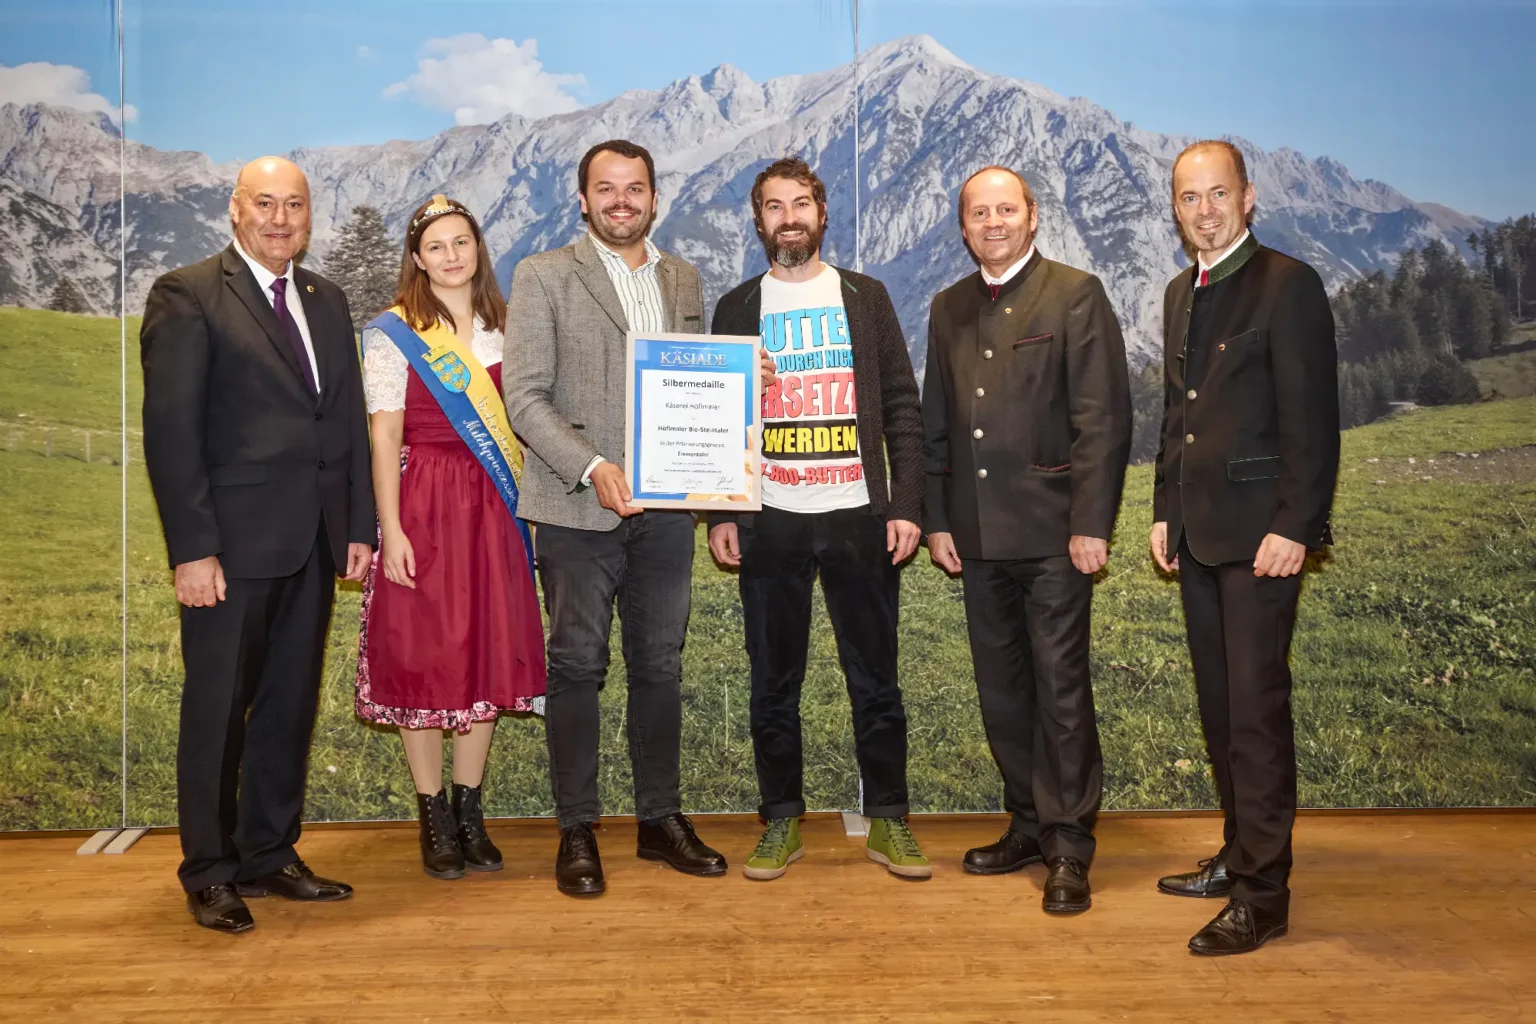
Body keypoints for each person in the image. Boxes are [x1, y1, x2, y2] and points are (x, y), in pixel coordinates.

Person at [504, 140, 751, 895]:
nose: (620, 201)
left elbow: (694, 384)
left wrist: (746, 380)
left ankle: (658, 821)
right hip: (577, 506)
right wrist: (591, 465)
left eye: (634, 188)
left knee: (661, 667)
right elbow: (525, 397)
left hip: (668, 512)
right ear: (583, 199)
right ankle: (576, 828)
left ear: (654, 198)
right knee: (577, 665)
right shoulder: (542, 274)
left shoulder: (683, 277)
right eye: (605, 189)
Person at [140, 156, 374, 934]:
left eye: (295, 205)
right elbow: (172, 434)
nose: (280, 218)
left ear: (312, 216)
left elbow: (342, 425)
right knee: (217, 711)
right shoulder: (189, 294)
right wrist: (192, 548)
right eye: (265, 204)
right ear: (235, 211)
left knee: (286, 705)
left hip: (311, 543)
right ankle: (208, 870)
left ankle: (268, 853)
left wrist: (357, 528)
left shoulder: (326, 298)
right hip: (229, 550)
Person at [706, 158, 929, 881]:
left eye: (801, 203)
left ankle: (889, 820)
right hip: (771, 514)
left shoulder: (865, 297)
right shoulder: (737, 307)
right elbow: (713, 419)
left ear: (822, 213)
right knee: (773, 679)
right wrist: (721, 511)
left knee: (876, 677)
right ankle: (779, 822)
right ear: (759, 220)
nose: (789, 217)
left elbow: (901, 402)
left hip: (857, 513)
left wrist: (904, 505)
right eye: (774, 206)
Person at [921, 167, 1131, 914]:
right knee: (1003, 693)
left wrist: (1090, 524)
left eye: (1006, 209)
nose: (994, 222)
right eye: (979, 212)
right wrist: (937, 518)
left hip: (1052, 535)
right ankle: (1027, 822)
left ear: (1032, 216)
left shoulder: (1075, 293)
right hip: (974, 536)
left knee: (1061, 691)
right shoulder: (946, 308)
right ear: (964, 225)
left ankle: (1069, 844)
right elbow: (936, 424)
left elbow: (1102, 420)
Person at [1150, 140, 1339, 955]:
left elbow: (1313, 421)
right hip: (1196, 534)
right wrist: (1163, 506)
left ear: (1248, 196)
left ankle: (1264, 896)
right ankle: (1237, 855)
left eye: (1216, 194)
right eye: (1189, 198)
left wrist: (1296, 526)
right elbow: (1176, 412)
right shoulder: (1177, 291)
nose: (1203, 210)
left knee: (1256, 716)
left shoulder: (1288, 284)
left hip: (1264, 538)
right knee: (1221, 709)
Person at [355, 195, 547, 880]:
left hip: (494, 505)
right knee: (427, 655)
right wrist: (391, 528)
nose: (451, 255)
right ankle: (432, 813)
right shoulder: (394, 332)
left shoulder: (508, 325)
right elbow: (383, 433)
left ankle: (471, 810)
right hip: (426, 501)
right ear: (417, 258)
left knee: (487, 649)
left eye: (461, 241)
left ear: (477, 248)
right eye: (436, 246)